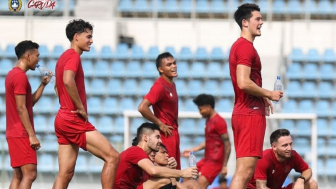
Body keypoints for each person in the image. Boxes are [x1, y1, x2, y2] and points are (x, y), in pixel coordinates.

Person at [53, 19, 119, 189]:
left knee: (65, 174)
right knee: (113, 157)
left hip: (62, 117)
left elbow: (56, 86)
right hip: (72, 118)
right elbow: (67, 81)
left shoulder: (63, 57)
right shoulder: (74, 56)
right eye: (88, 36)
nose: (91, 40)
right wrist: (79, 107)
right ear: (76, 37)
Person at [228, 3, 283, 189]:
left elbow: (246, 82)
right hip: (248, 114)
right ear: (245, 22)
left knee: (246, 171)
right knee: (244, 172)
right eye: (257, 19)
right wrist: (269, 93)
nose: (262, 22)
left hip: (247, 111)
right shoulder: (245, 47)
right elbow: (243, 82)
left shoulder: (242, 46)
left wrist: (261, 97)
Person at [5, 40, 51, 189]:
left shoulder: (12, 74)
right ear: (28, 56)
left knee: (19, 176)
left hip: (13, 132)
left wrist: (42, 85)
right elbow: (21, 108)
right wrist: (31, 134)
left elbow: (28, 103)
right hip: (21, 132)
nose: (38, 59)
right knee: (30, 174)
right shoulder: (20, 77)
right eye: (37, 55)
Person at [114, 122, 198, 189]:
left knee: (188, 183)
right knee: (164, 180)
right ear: (146, 138)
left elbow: (170, 179)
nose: (160, 141)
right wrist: (182, 172)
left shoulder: (144, 158)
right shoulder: (136, 151)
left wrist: (172, 169)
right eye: (157, 137)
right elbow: (154, 171)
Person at [138, 52, 181, 169]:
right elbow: (142, 107)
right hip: (166, 133)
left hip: (173, 132)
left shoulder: (171, 84)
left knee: (175, 171)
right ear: (161, 69)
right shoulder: (159, 86)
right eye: (169, 65)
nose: (174, 66)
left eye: (174, 63)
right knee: (169, 171)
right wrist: (160, 124)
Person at [182, 94, 231, 189]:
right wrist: (193, 149)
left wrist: (224, 166)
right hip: (207, 159)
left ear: (208, 107)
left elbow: (227, 144)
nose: (200, 112)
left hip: (215, 162)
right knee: (186, 177)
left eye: (201, 109)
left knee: (199, 186)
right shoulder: (208, 120)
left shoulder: (219, 121)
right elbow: (210, 141)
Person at [246, 129, 318, 189]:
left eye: (290, 144)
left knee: (311, 184)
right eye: (285, 145)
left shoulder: (293, 155)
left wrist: (300, 180)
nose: (289, 148)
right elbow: (261, 187)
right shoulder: (263, 158)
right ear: (274, 146)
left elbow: (307, 170)